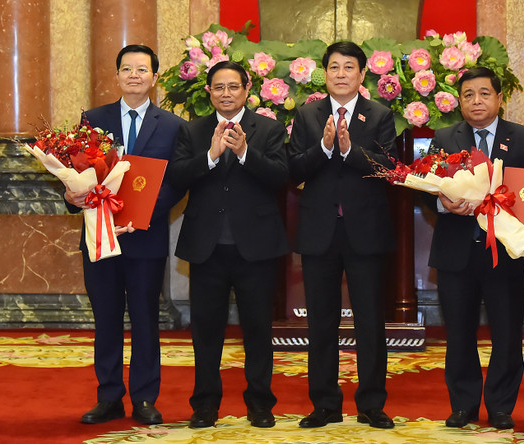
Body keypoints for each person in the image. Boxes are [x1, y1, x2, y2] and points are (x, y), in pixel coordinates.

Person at [65, 44, 186, 425]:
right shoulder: (93, 119)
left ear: (154, 77)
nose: (134, 75)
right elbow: (78, 172)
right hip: (100, 236)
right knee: (106, 317)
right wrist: (72, 196)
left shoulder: (172, 125)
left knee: (146, 318)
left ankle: (145, 398)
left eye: (142, 69)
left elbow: (177, 182)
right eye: (127, 69)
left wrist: (143, 213)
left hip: (145, 238)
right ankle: (109, 397)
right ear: (116, 75)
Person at [168, 60, 289, 429]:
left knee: (257, 330)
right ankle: (205, 405)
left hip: (256, 248)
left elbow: (281, 176)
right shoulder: (193, 130)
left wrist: (244, 154)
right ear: (208, 92)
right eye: (218, 87)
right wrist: (211, 156)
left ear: (246, 88)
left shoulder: (268, 128)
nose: (225, 94)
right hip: (207, 248)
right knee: (206, 331)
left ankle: (260, 403)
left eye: (232, 87)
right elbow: (176, 176)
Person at [428, 67, 524, 430]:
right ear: (460, 102)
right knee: (459, 333)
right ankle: (463, 405)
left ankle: (500, 406)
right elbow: (426, 193)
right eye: (468, 95)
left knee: (508, 332)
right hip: (456, 252)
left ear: (499, 99)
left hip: (506, 252)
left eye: (484, 93)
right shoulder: (444, 137)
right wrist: (442, 203)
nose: (476, 101)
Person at [288, 41, 397, 429]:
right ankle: (325, 404)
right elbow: (294, 169)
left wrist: (350, 151)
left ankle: (371, 404)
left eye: (348, 67)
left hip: (365, 232)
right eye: (333, 67)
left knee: (370, 320)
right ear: (325, 73)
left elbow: (388, 168)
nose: (340, 73)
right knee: (321, 321)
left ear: (362, 74)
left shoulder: (380, 116)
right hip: (320, 232)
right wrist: (324, 146)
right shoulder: (307, 116)